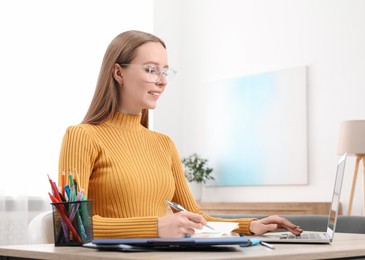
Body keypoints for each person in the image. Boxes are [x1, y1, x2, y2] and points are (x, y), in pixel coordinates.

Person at [58, 30, 303, 239]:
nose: (162, 81)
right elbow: (69, 227)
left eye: (165, 71)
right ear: (118, 73)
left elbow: (196, 216)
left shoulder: (163, 144)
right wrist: (156, 226)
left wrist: (249, 225)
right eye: (151, 70)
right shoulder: (82, 136)